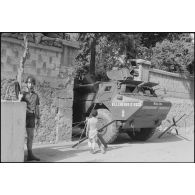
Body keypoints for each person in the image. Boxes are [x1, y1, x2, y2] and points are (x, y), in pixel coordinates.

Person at [19, 76, 40, 161]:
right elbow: (18, 105)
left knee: (30, 136)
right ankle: (18, 153)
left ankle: (30, 154)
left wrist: (38, 118)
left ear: (33, 84)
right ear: (26, 84)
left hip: (31, 116)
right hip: (23, 116)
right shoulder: (23, 94)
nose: (30, 84)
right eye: (28, 83)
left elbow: (37, 107)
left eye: (31, 83)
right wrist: (19, 98)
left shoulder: (36, 95)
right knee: (20, 136)